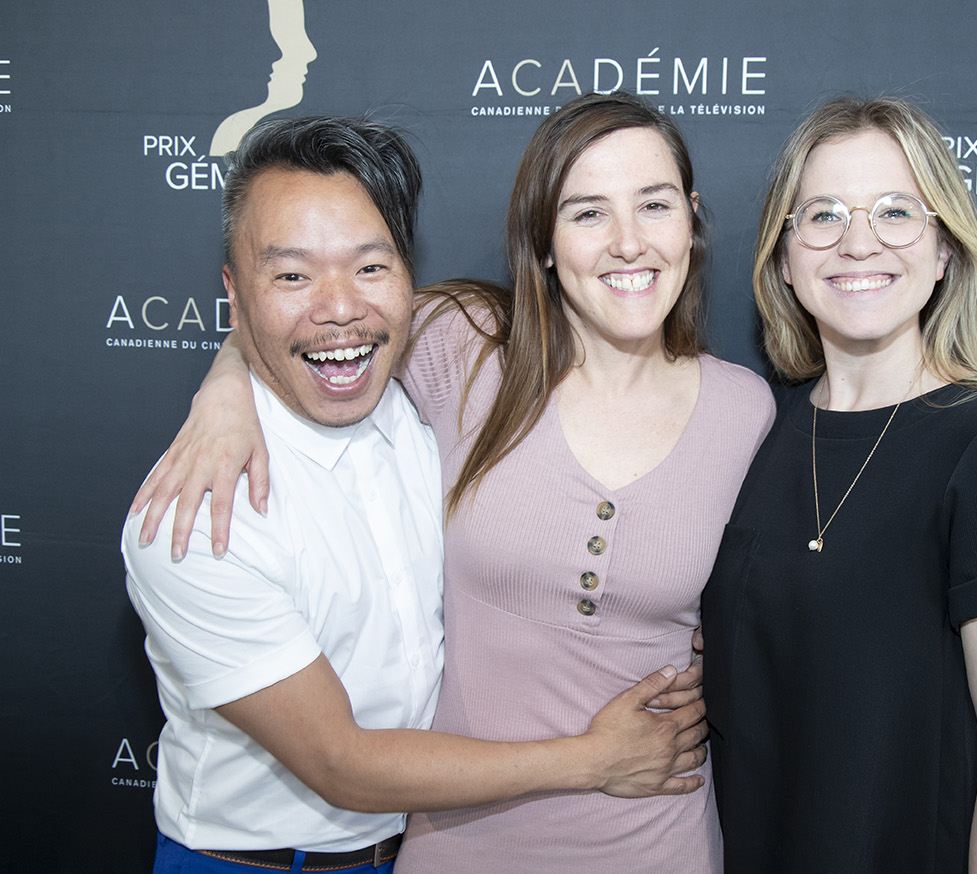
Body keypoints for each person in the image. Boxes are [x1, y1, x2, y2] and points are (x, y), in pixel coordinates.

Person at [130, 93, 775, 872]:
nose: (628, 241)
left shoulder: (746, 411)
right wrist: (224, 390)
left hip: (657, 834)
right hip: (454, 842)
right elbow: (319, 323)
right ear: (542, 239)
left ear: (692, 222)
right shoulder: (462, 346)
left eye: (655, 204)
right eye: (588, 213)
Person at [701, 96, 977, 874]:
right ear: (784, 256)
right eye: (823, 216)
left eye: (896, 212)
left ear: (943, 249)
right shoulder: (754, 432)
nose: (858, 242)